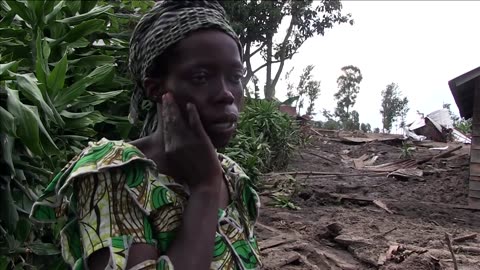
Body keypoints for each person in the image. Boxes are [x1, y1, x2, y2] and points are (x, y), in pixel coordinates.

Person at [29, 1, 261, 269]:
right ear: (155, 89)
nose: (226, 94)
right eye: (201, 77)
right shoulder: (116, 172)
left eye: (235, 76)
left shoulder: (234, 179)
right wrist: (206, 188)